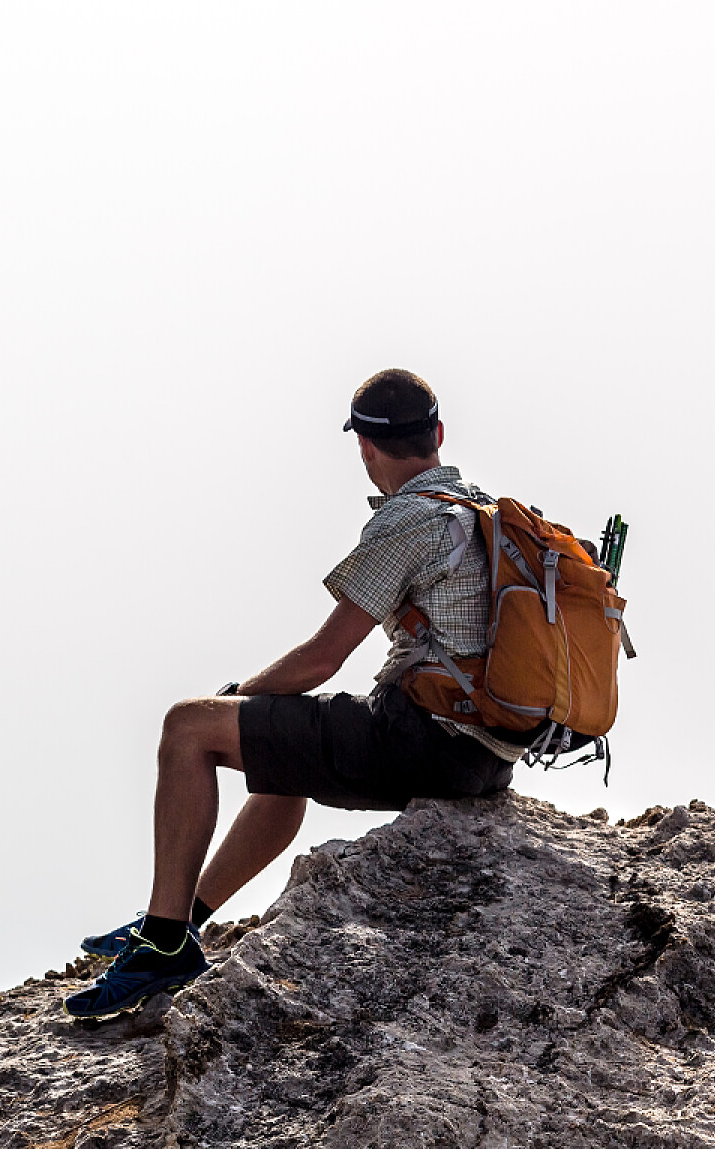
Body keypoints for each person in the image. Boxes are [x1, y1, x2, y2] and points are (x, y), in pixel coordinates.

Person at [64, 368, 528, 1019]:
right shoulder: (487, 512)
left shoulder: (408, 520)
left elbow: (320, 658)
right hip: (488, 758)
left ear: (365, 449)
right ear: (439, 435)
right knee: (284, 746)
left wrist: (234, 697)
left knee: (187, 729)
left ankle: (163, 943)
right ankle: (183, 918)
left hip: (421, 742)